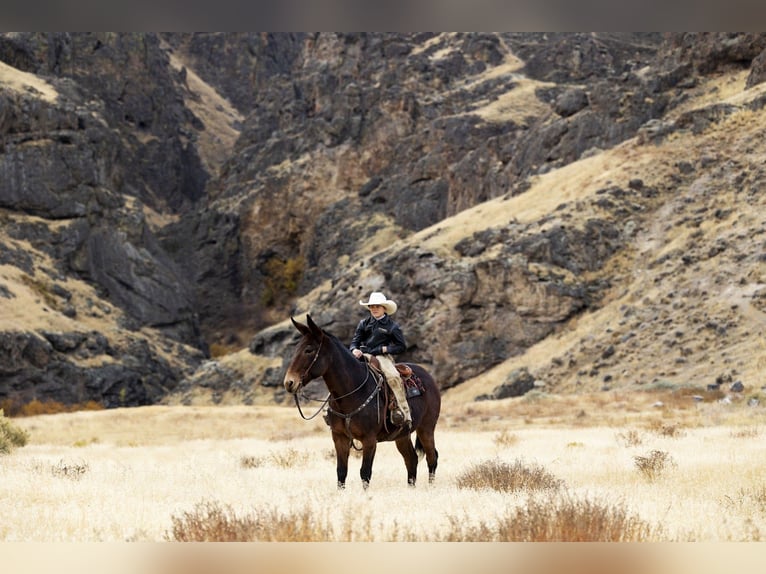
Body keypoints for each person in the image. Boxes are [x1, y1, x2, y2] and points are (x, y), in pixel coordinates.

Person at [350, 291, 412, 430]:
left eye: (377, 306)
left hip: (382, 357)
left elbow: (401, 346)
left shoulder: (392, 326)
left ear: (384, 308)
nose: (374, 308)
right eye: (372, 306)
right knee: (343, 371)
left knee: (393, 377)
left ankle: (403, 412)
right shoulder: (363, 323)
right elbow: (355, 341)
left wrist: (384, 349)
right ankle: (331, 409)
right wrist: (354, 349)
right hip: (363, 355)